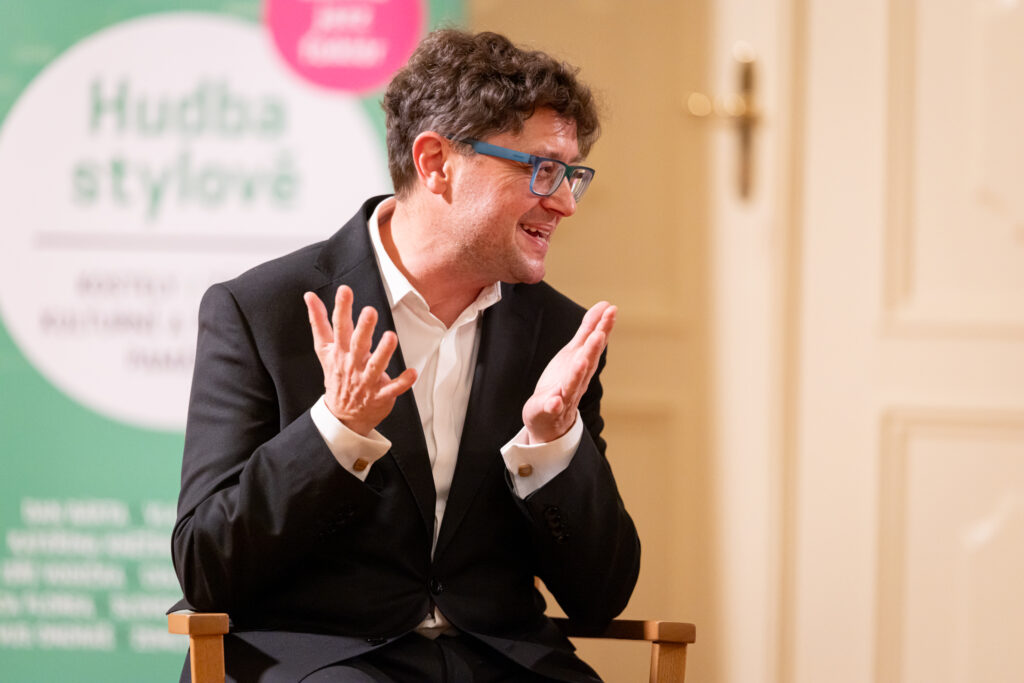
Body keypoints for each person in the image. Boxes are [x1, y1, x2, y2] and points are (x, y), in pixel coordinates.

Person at [170, 29, 640, 683]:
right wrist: (335, 432)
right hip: (326, 659)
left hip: (498, 660)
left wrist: (553, 447)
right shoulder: (262, 311)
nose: (563, 202)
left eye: (571, 175)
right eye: (541, 169)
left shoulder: (560, 333)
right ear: (436, 162)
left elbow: (602, 594)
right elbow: (205, 566)